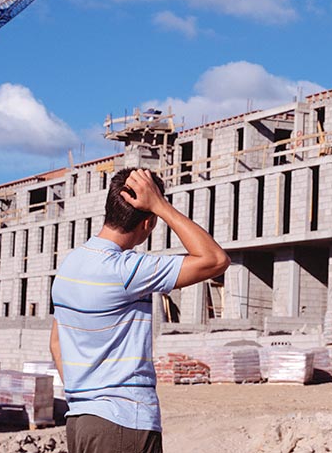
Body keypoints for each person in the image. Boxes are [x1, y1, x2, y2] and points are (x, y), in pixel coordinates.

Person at [49, 167, 230, 453]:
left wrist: (87, 395)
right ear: (149, 222)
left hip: (81, 422)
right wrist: (161, 205)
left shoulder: (69, 267)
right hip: (124, 424)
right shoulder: (126, 270)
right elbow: (215, 259)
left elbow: (57, 344)